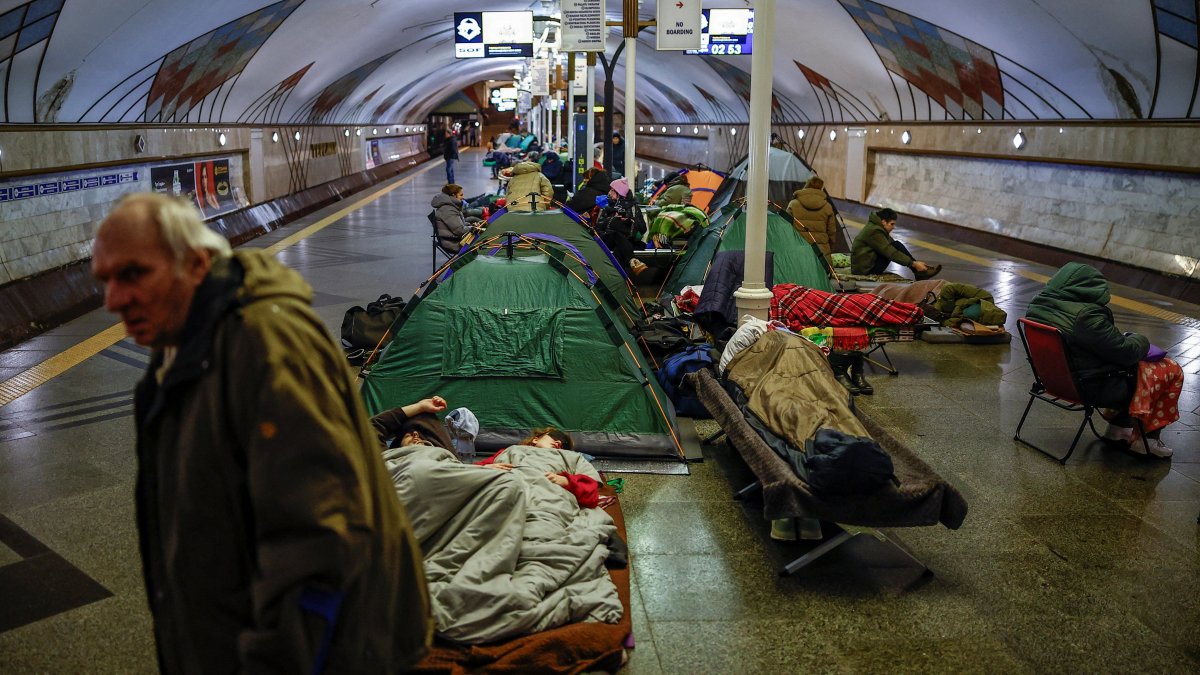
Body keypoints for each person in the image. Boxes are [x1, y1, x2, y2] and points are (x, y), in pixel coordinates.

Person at [90, 193, 432, 673]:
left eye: (133, 274)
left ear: (197, 264)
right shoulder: (180, 347)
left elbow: (321, 538)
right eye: (104, 280)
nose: (113, 300)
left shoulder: (265, 344)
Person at [1025, 262, 1182, 458]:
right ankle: (1147, 440)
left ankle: (1118, 430)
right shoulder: (1087, 317)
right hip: (1089, 387)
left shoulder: (1037, 304)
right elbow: (1126, 353)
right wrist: (1140, 339)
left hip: (1051, 380)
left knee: (1130, 368)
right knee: (1167, 369)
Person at [371, 399, 600, 508]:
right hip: (407, 476)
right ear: (537, 438)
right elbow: (371, 428)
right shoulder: (509, 451)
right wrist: (420, 407)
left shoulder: (572, 459)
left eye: (563, 444)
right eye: (556, 438)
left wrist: (566, 481)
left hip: (534, 490)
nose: (559, 444)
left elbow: (593, 491)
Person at [850, 208, 940, 279]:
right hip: (864, 270)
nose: (893, 227)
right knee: (894, 247)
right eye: (892, 224)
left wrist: (914, 262)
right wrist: (913, 263)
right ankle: (918, 271)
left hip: (865, 265)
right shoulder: (875, 231)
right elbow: (890, 252)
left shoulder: (876, 227)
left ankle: (918, 271)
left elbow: (892, 244)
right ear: (883, 222)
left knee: (896, 244)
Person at [595, 177, 644, 275]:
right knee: (616, 233)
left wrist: (630, 220)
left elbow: (643, 228)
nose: (609, 192)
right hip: (608, 238)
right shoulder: (607, 207)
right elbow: (599, 227)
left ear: (619, 193)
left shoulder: (633, 207)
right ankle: (633, 260)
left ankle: (620, 281)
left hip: (626, 240)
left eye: (612, 190)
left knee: (619, 249)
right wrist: (613, 220)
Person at [785, 176, 838, 267]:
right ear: (821, 188)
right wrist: (829, 248)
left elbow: (786, 227)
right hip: (822, 255)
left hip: (798, 253)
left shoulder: (793, 205)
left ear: (807, 185)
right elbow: (832, 232)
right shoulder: (827, 207)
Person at [431, 183, 481, 255]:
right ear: (454, 195)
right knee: (484, 241)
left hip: (453, 240)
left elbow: (459, 225)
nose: (463, 197)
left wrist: (471, 225)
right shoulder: (448, 210)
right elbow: (460, 230)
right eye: (461, 195)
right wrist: (473, 228)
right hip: (454, 244)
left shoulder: (450, 206)